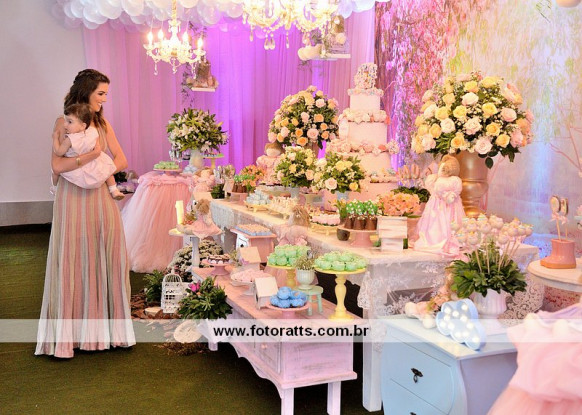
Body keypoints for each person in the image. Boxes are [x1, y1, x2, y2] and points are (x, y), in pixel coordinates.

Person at [36, 69, 135, 358]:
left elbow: (121, 159)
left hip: (101, 200)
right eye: (100, 93)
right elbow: (57, 166)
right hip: (71, 201)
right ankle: (71, 337)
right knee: (73, 260)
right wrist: (92, 157)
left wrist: (95, 171)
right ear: (86, 91)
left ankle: (110, 334)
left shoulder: (102, 123)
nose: (104, 99)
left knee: (107, 258)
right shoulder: (63, 122)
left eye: (106, 94)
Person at [52, 103, 124, 200]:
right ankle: (114, 189)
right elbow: (96, 147)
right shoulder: (92, 132)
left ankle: (55, 188)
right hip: (93, 164)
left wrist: (55, 139)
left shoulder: (70, 140)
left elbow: (58, 152)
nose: (65, 125)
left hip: (77, 167)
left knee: (55, 172)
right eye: (65, 121)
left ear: (83, 125)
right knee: (107, 169)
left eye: (69, 122)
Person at [414, 154, 465, 256]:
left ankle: (454, 240)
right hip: (437, 206)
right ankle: (435, 239)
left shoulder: (454, 180)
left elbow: (456, 190)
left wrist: (451, 195)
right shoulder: (435, 179)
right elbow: (434, 190)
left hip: (450, 205)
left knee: (452, 220)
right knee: (435, 223)